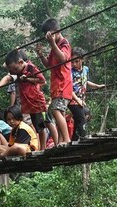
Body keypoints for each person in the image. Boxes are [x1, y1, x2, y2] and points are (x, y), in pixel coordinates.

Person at [0, 49, 51, 150]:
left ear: (21, 62)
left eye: (14, 69)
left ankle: (43, 148)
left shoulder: (30, 68)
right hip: (27, 104)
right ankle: (36, 147)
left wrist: (27, 78)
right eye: (11, 70)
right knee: (33, 126)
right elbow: (7, 78)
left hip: (36, 102)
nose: (13, 71)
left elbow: (42, 80)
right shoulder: (17, 71)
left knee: (40, 127)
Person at [35, 18, 72, 146]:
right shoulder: (54, 48)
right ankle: (61, 141)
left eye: (49, 35)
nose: (48, 39)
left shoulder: (64, 43)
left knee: (55, 111)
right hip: (56, 87)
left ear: (56, 32)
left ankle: (66, 139)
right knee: (59, 112)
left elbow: (63, 59)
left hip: (63, 85)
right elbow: (49, 65)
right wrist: (40, 55)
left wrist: (52, 44)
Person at [69, 47, 105, 140]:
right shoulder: (70, 72)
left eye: (76, 61)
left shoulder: (85, 69)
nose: (74, 64)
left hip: (81, 100)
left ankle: (74, 141)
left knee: (80, 120)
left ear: (82, 59)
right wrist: (77, 100)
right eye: (72, 62)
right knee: (81, 120)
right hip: (73, 100)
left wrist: (97, 86)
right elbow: (69, 88)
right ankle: (83, 139)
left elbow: (86, 81)